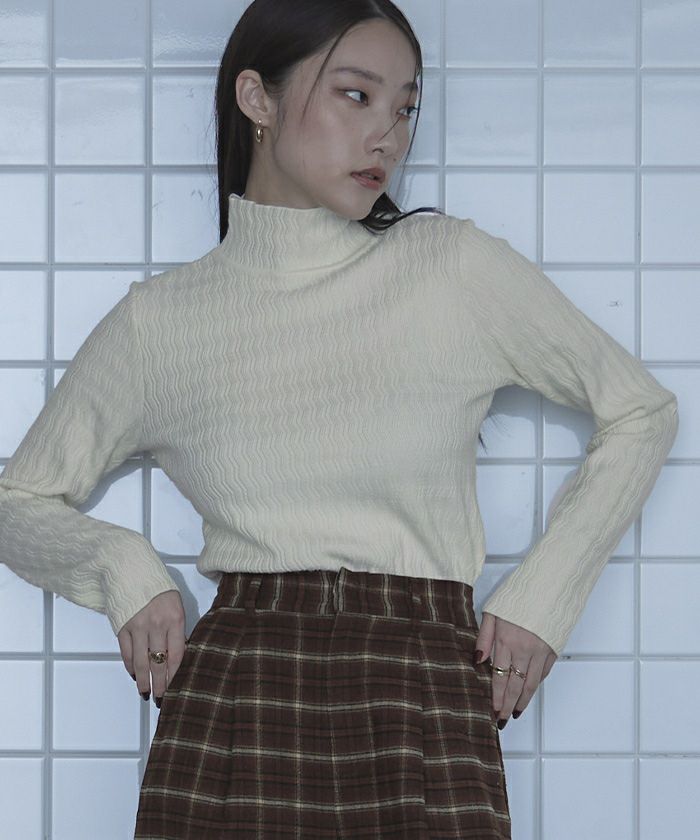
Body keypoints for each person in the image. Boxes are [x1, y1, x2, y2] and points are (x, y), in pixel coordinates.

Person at [0, 1, 678, 838]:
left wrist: (546, 597)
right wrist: (120, 569)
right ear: (257, 97)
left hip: (424, 690)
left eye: (404, 108)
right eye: (356, 95)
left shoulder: (450, 269)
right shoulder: (161, 322)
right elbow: (17, 502)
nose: (387, 136)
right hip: (238, 702)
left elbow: (641, 412)